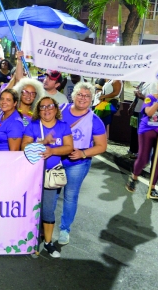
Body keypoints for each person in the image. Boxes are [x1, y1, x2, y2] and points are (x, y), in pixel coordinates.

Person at [22, 96, 74, 258]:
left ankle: (49, 243)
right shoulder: (33, 126)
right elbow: (24, 146)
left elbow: (69, 147)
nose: (46, 110)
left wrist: (52, 151)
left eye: (50, 106)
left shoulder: (63, 126)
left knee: (48, 210)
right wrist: (43, 142)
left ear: (56, 109)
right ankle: (32, 241)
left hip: (51, 175)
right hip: (32, 174)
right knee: (31, 208)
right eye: (42, 107)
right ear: (38, 111)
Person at [56, 82, 107, 245]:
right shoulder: (60, 109)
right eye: (80, 94)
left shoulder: (95, 120)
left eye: (87, 96)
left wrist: (82, 153)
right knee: (50, 194)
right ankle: (44, 226)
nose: (83, 98)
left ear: (92, 99)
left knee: (70, 196)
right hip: (55, 159)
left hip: (77, 163)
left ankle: (65, 229)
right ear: (73, 95)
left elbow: (102, 146)